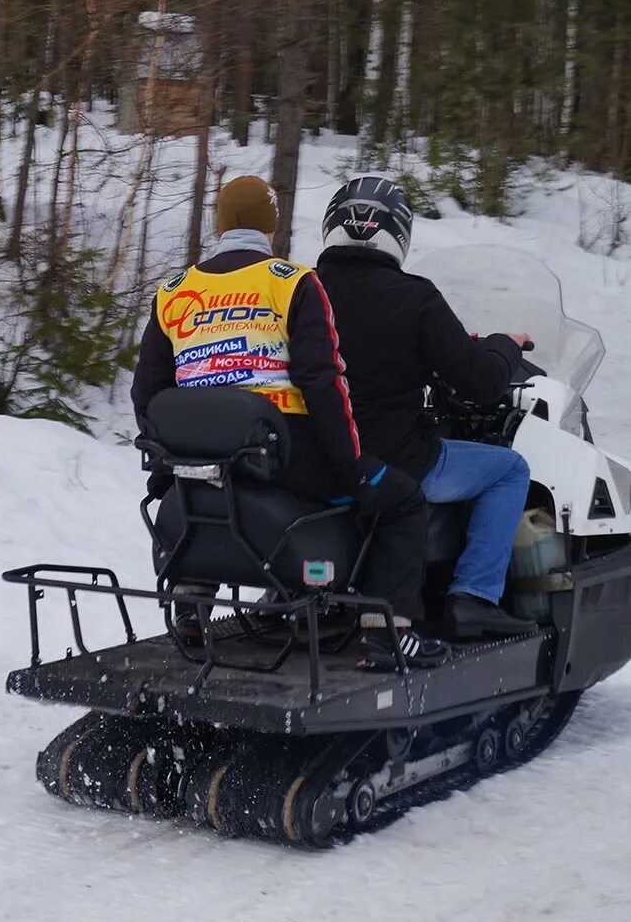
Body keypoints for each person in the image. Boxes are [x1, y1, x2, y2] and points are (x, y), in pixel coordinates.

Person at [132, 175, 448, 668]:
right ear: (272, 226)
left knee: (205, 495)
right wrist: (353, 464)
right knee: (403, 499)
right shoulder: (294, 281)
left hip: (204, 457)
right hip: (285, 453)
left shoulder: (174, 291)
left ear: (218, 224)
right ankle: (389, 633)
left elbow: (147, 391)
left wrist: (168, 468)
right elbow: (323, 380)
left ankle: (192, 598)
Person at [316, 176, 537, 640]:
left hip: (317, 456)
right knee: (509, 470)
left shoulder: (302, 292)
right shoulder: (415, 297)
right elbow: (480, 383)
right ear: (398, 234)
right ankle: (473, 597)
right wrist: (504, 347)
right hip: (397, 461)